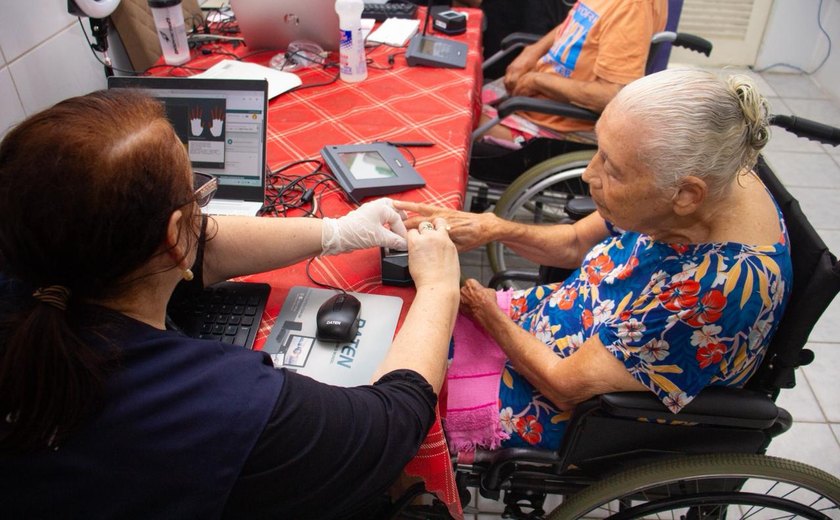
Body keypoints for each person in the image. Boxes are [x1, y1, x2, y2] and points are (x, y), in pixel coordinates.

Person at [0, 90, 461, 518]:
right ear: (173, 238)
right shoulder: (222, 406)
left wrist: (337, 232)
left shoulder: (34, 265)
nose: (206, 215)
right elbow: (393, 422)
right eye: (200, 196)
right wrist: (440, 286)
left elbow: (199, 245)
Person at [396, 68, 793, 450]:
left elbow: (567, 387)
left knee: (398, 406)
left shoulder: (713, 290)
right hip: (554, 322)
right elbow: (573, 241)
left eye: (612, 170)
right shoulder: (711, 171)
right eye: (599, 152)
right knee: (402, 316)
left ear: (687, 196)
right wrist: (494, 227)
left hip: (569, 405)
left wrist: (488, 314)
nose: (588, 173)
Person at [480, 0, 668, 148]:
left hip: (553, 127)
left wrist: (537, 81)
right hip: (532, 102)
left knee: (455, 124)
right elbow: (579, 21)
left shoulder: (632, 7)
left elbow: (613, 94)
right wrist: (534, 50)